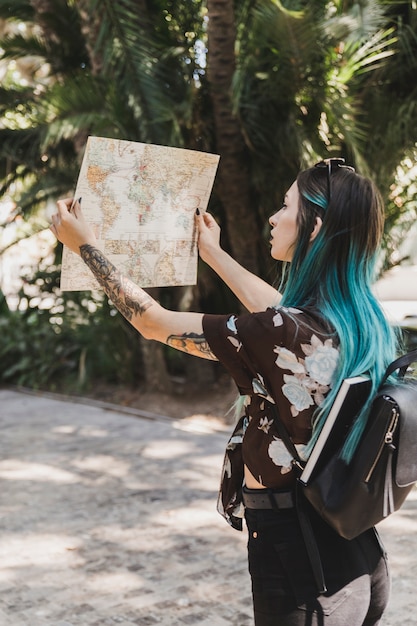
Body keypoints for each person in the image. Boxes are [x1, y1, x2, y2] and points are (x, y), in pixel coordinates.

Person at [50, 158, 398, 625]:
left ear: (314, 227)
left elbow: (154, 323)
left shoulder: (284, 330)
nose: (274, 218)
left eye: (285, 205)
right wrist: (212, 253)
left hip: (302, 562)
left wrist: (84, 244)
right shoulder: (357, 320)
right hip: (353, 553)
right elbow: (276, 311)